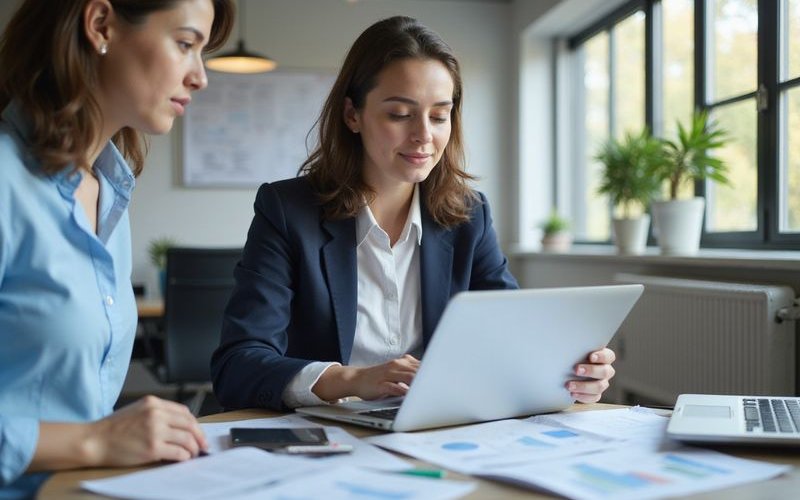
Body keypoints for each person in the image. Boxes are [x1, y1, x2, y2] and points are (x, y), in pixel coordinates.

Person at [211, 15, 616, 412]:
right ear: (353, 115)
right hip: (329, 438)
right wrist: (353, 379)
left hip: (440, 430)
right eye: (400, 114)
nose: (424, 135)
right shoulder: (287, 211)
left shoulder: (469, 216)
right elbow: (239, 364)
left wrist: (570, 374)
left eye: (440, 115)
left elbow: (507, 338)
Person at [0, 0, 233, 497]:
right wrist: (93, 440)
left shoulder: (109, 191)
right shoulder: (5, 181)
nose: (200, 77)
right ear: (101, 24)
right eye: (186, 44)